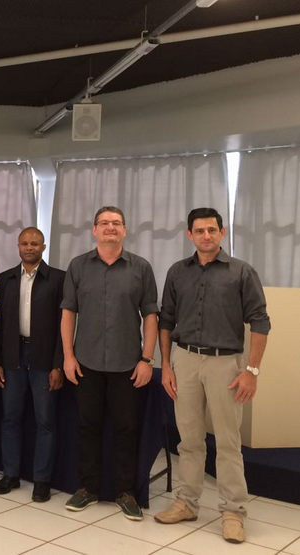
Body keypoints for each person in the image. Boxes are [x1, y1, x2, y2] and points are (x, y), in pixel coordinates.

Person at [154, 207, 270, 544]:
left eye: (212, 230)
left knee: (228, 442)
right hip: (185, 361)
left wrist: (251, 370)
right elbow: (166, 321)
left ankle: (233, 511)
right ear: (189, 234)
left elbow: (260, 322)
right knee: (188, 439)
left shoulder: (242, 272)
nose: (206, 235)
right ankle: (187, 502)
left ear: (222, 232)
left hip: (226, 365)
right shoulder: (177, 272)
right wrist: (166, 365)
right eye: (199, 230)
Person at [60, 206, 158, 520]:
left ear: (125, 230)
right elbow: (68, 313)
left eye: (116, 223)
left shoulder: (141, 268)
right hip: (85, 361)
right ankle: (88, 489)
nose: (110, 228)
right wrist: (67, 356)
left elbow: (151, 317)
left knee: (126, 429)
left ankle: (125, 492)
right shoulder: (78, 266)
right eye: (104, 223)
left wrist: (147, 359)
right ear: (94, 229)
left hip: (128, 364)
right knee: (87, 426)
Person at [0, 227, 65, 500]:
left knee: (45, 421)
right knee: (10, 418)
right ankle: (10, 474)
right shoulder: (6, 279)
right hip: (12, 357)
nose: (30, 247)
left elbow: (64, 328)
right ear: (18, 246)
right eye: (25, 243)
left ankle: (42, 480)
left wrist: (59, 364)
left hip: (44, 359)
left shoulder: (58, 279)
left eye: (35, 243)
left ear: (43, 247)